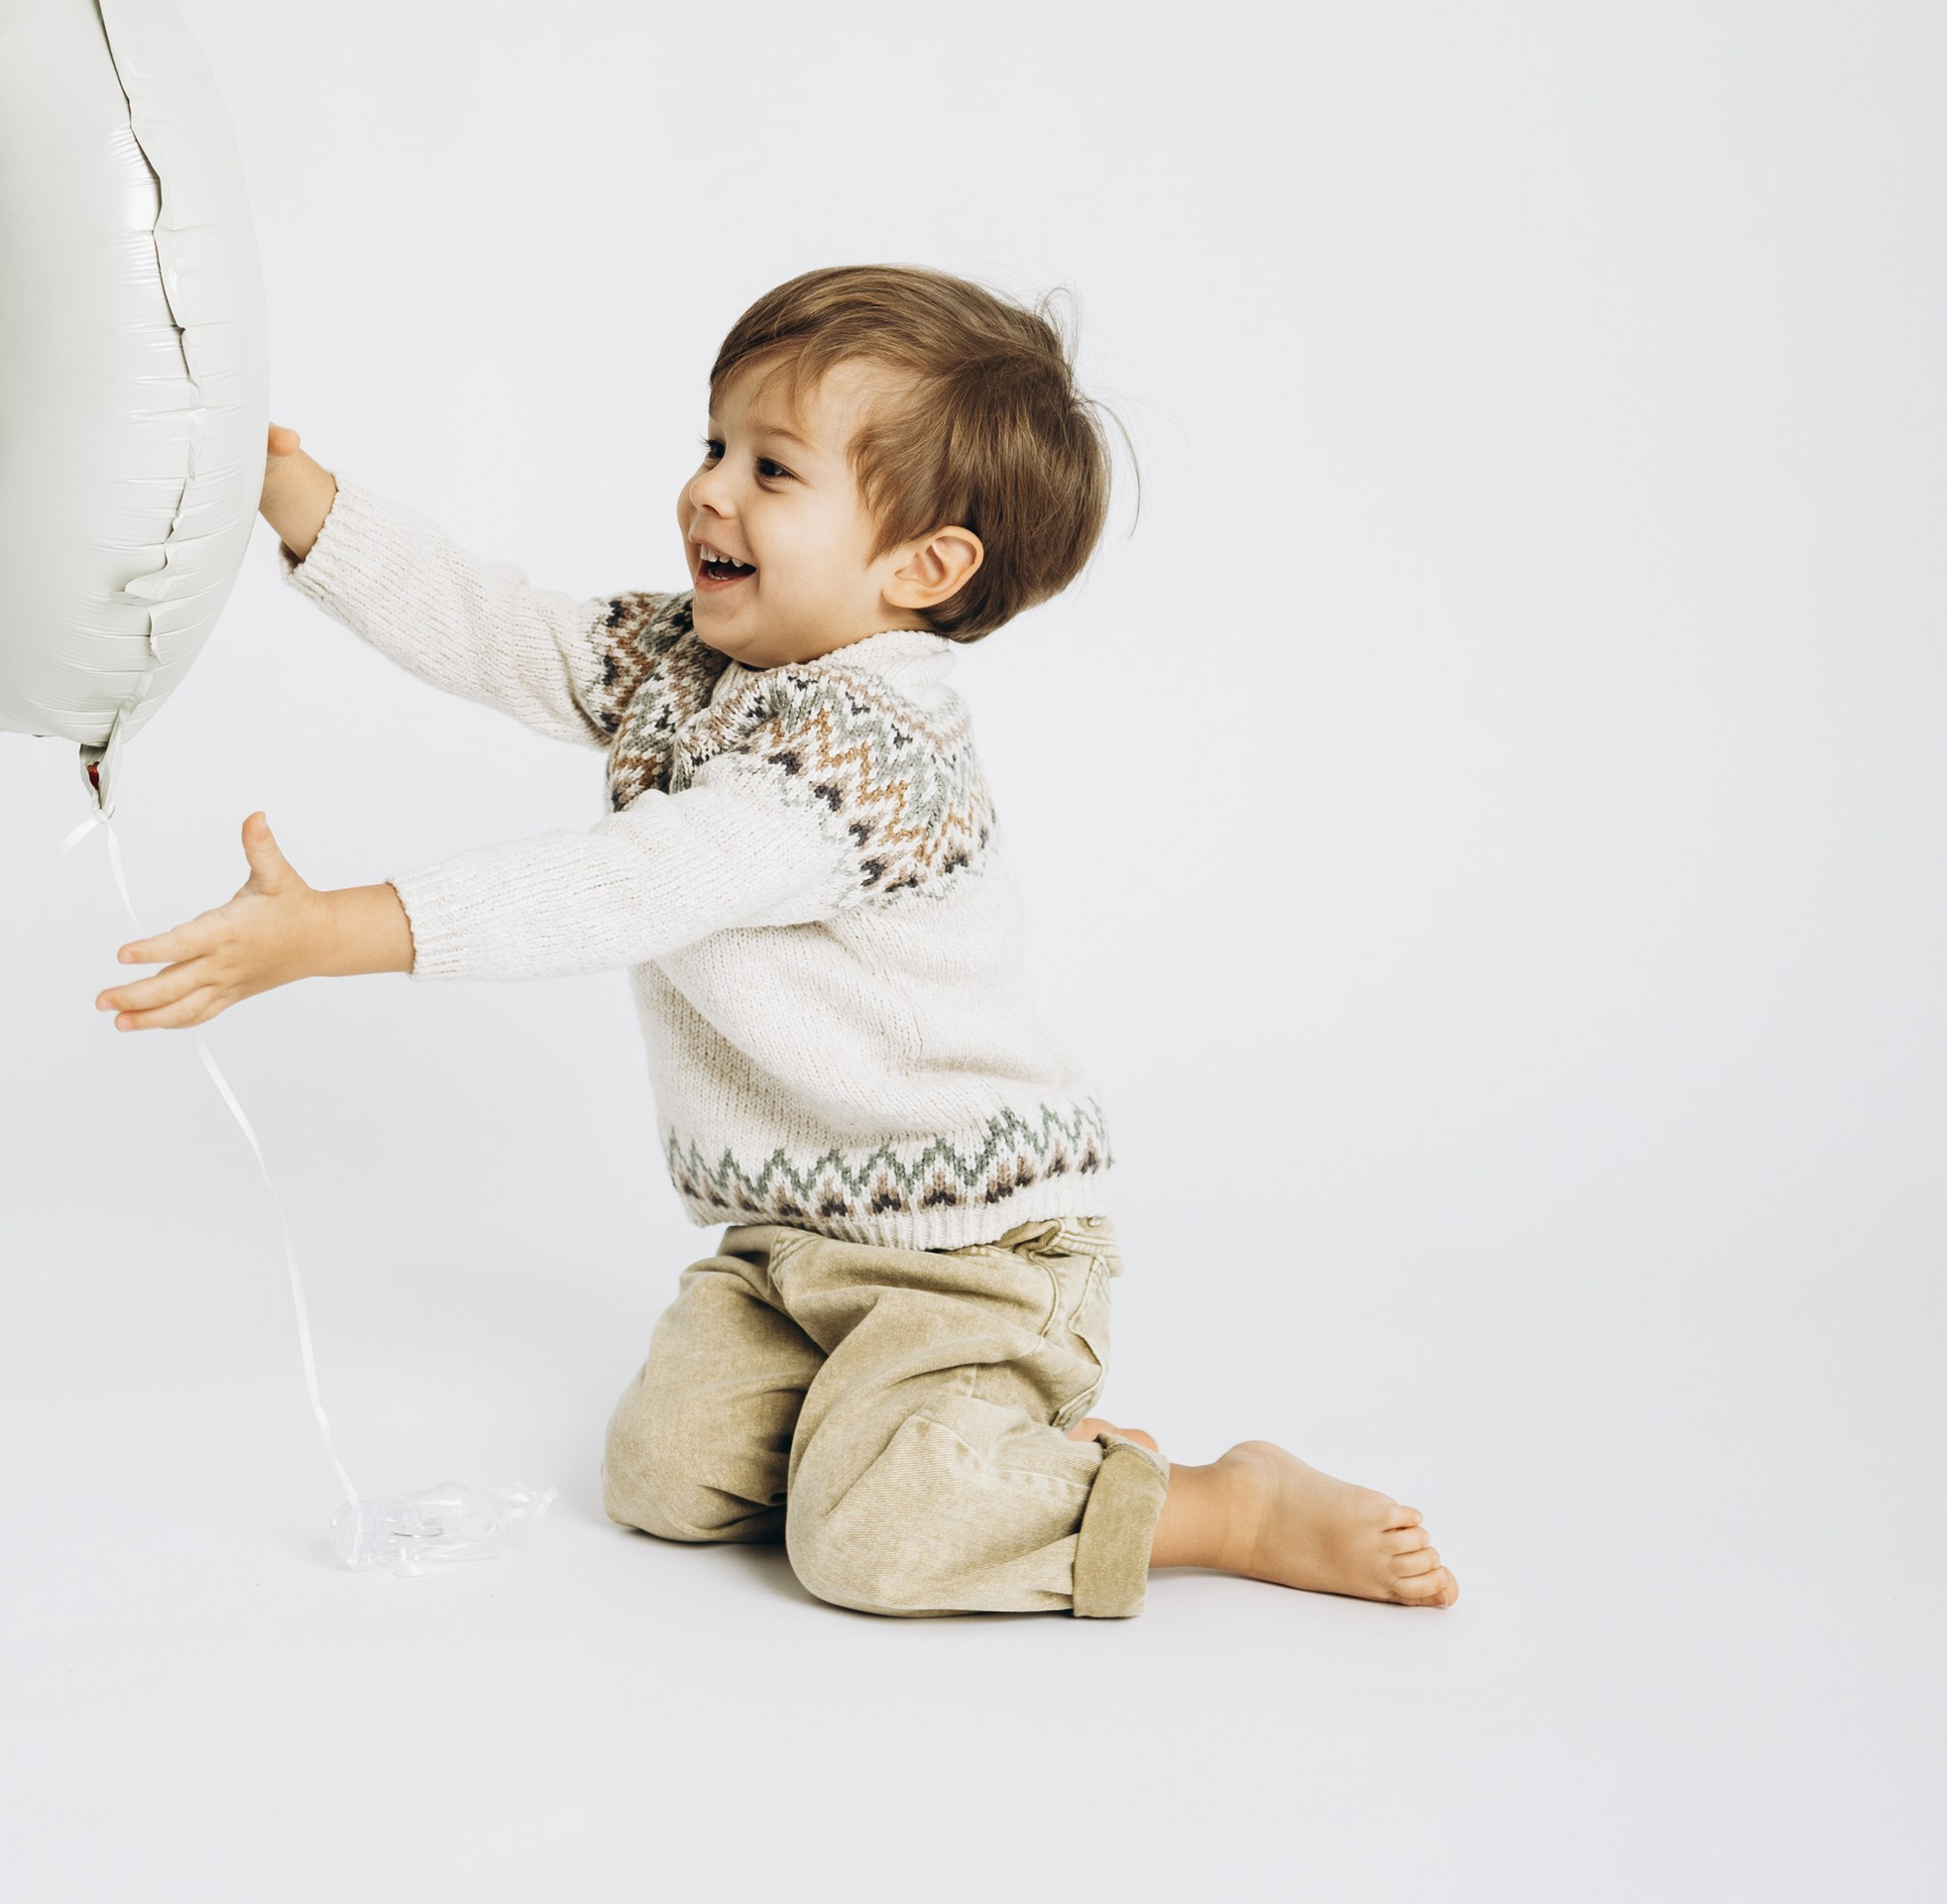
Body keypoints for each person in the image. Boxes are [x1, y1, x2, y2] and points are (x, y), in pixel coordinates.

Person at [98, 265, 1457, 1622]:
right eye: (713, 446)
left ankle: (1218, 1502)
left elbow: (628, 884)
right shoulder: (694, 667)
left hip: (976, 1252)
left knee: (867, 1547)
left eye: (772, 470)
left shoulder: (866, 759)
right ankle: (972, 1459)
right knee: (661, 1480)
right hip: (790, 1241)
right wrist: (297, 503)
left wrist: (339, 929)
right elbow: (501, 628)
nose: (710, 491)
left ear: (922, 566)